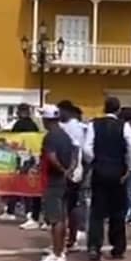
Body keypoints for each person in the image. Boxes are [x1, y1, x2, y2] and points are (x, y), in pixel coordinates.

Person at [83, 97, 131, 261]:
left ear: (104, 108)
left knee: (97, 212)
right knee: (118, 211)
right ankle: (118, 247)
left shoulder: (94, 124)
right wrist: (129, 167)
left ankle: (94, 247)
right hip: (117, 171)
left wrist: (94, 161)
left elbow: (86, 147)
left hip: (100, 170)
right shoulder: (124, 126)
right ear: (118, 110)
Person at [36, 104, 75, 261]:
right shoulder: (65, 135)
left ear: (47, 119)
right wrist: (70, 170)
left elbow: (51, 157)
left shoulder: (51, 136)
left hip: (54, 181)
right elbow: (74, 154)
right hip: (64, 181)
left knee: (55, 219)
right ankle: (60, 249)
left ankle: (57, 255)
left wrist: (62, 170)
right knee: (62, 217)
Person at [57, 101, 86, 251]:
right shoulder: (70, 126)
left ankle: (66, 240)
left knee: (64, 206)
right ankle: (70, 238)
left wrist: (70, 168)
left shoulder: (73, 127)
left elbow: (76, 150)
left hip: (69, 171)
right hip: (71, 171)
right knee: (70, 205)